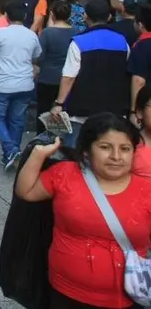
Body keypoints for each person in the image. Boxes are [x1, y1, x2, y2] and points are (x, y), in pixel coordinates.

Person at [15, 114, 151, 309]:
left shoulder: (146, 190)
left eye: (125, 149)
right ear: (86, 151)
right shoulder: (65, 174)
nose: (116, 156)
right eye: (105, 147)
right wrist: (38, 154)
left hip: (129, 298)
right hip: (67, 294)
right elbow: (26, 191)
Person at [51, 0, 131, 146]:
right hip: (115, 108)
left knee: (76, 147)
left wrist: (59, 103)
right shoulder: (123, 42)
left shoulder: (79, 42)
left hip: (83, 109)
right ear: (109, 17)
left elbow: (69, 76)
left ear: (85, 16)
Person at [0, 1, 42, 170]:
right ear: (25, 16)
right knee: (17, 119)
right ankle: (11, 154)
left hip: (3, 84)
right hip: (25, 84)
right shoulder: (32, 35)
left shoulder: (0, 33)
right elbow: (37, 56)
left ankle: (10, 149)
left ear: (6, 16)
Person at [36, 1, 77, 128]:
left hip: (47, 76)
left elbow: (39, 56)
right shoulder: (76, 32)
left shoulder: (47, 33)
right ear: (70, 15)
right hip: (69, 77)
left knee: (43, 110)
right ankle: (62, 135)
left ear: (52, 14)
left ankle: (44, 135)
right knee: (65, 111)